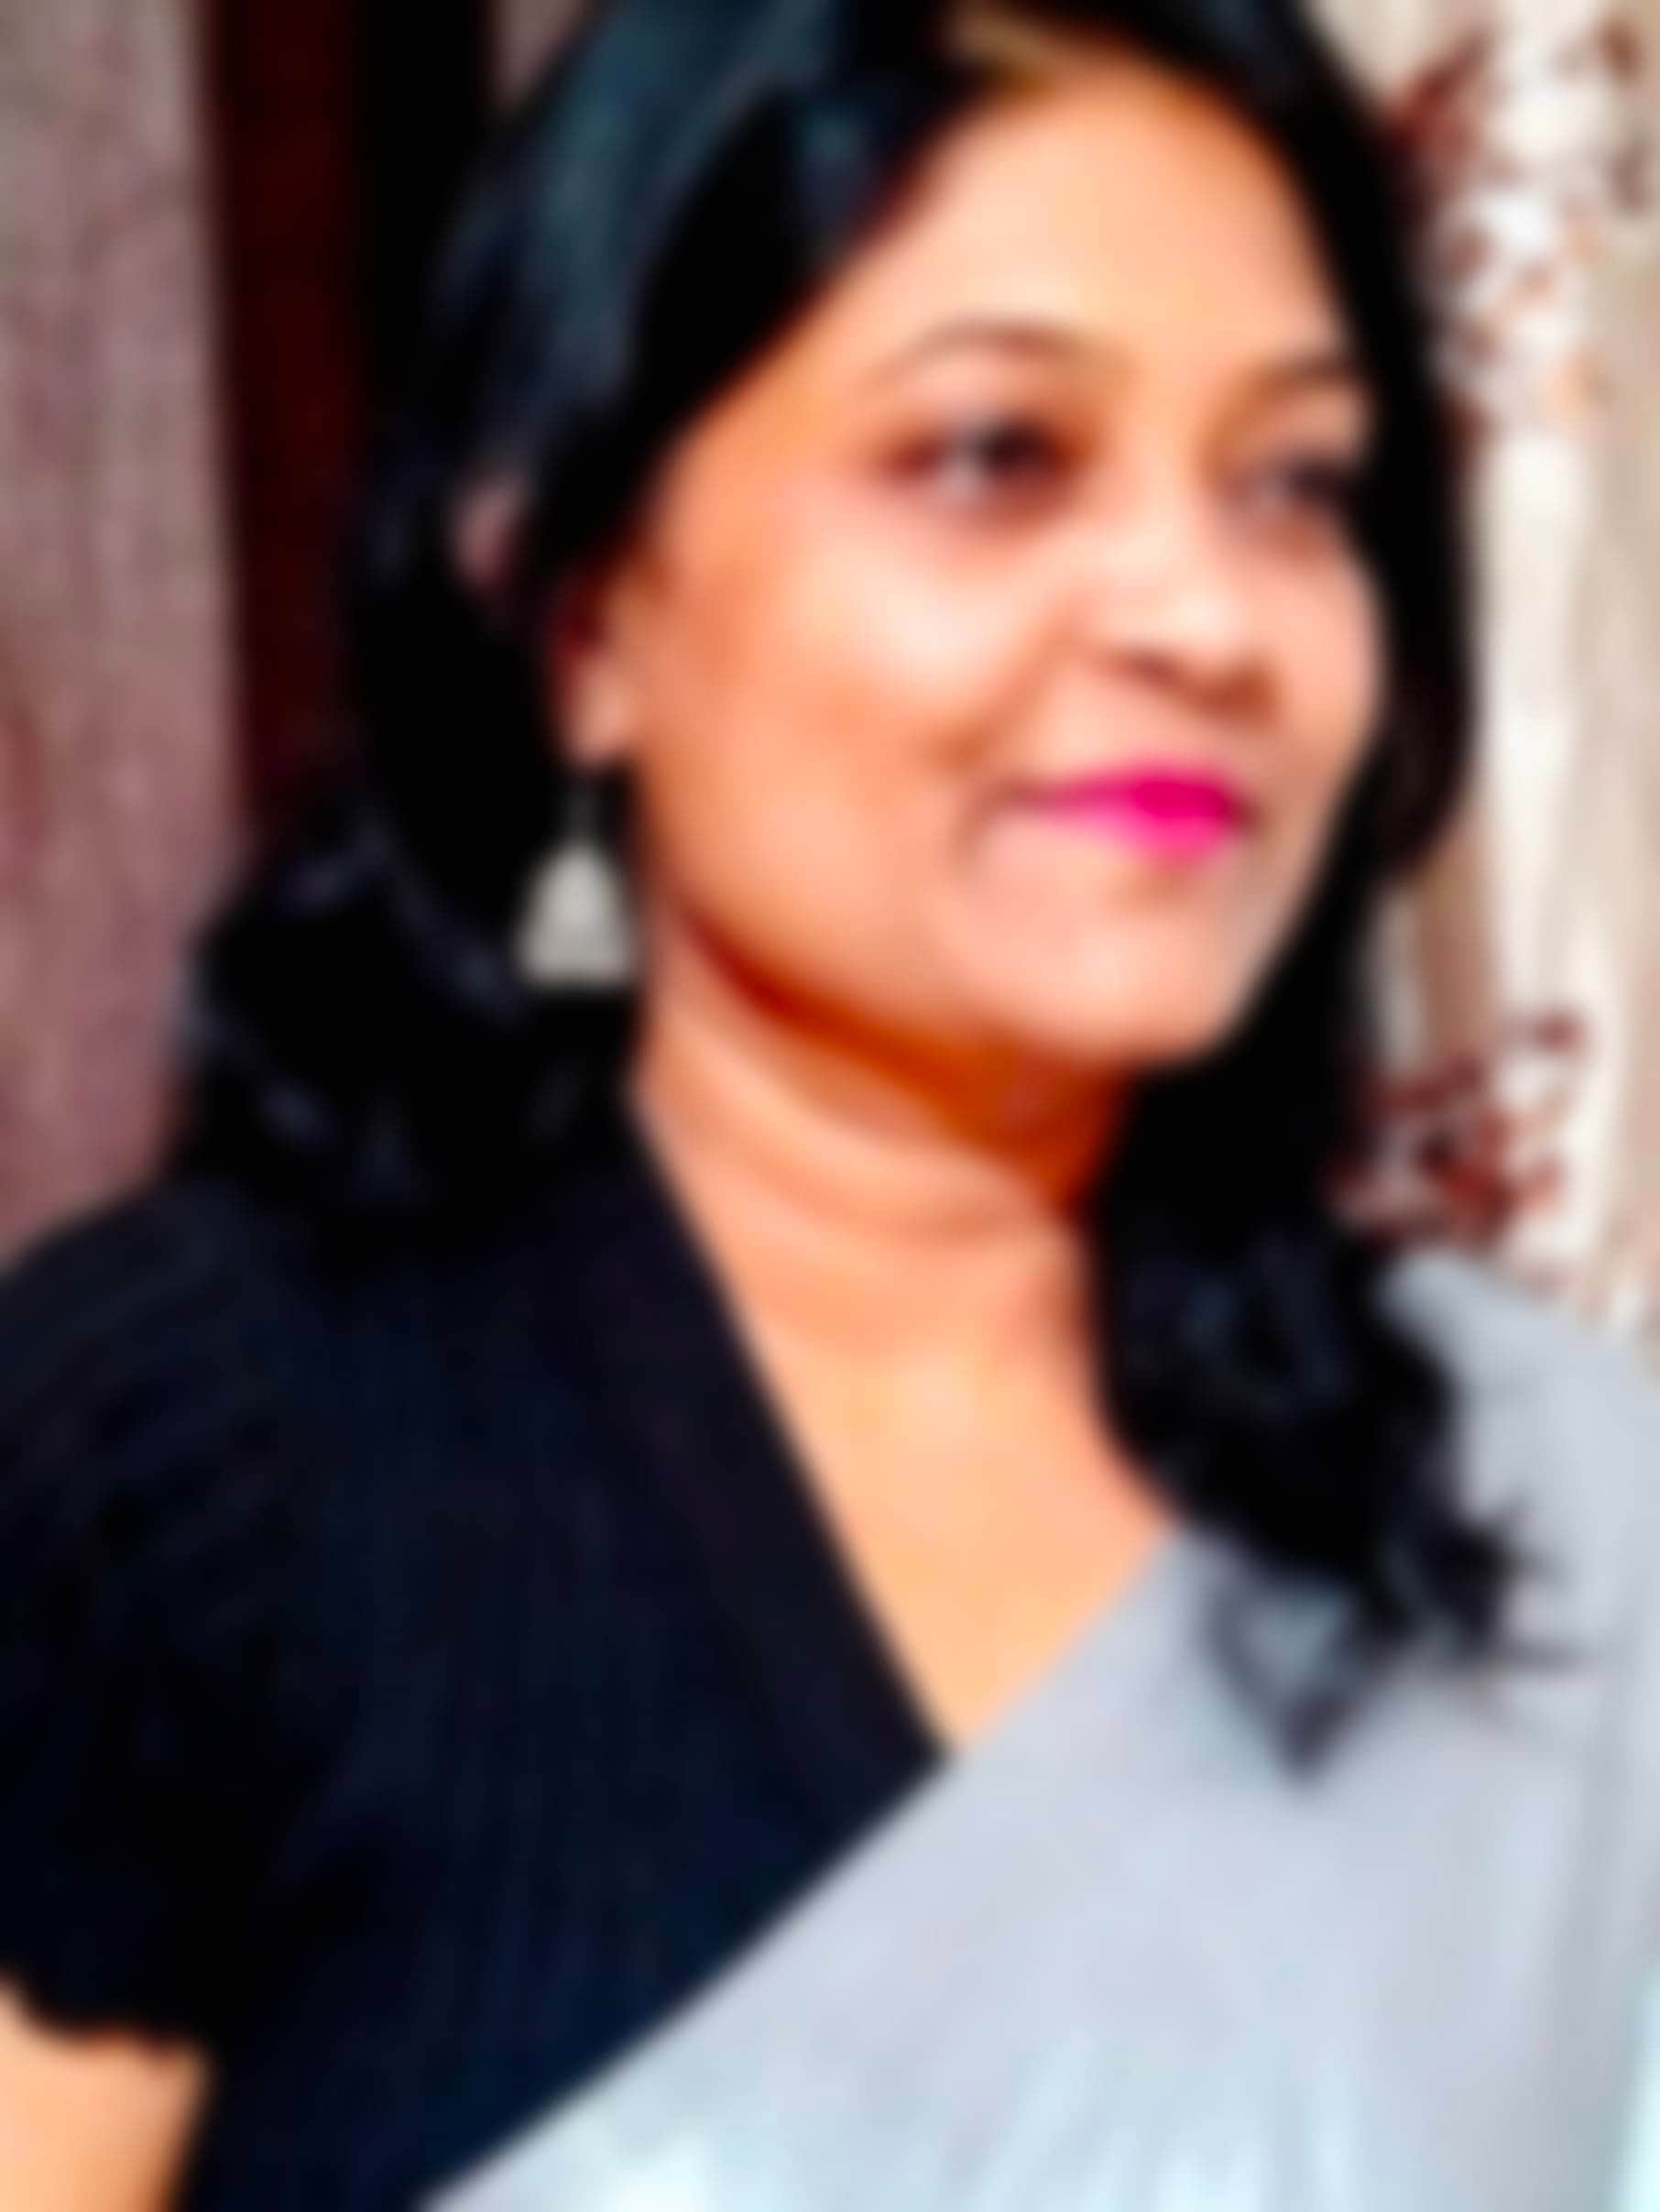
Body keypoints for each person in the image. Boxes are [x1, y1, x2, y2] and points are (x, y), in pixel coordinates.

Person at [4, 0, 1659, 2206]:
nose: (1205, 615)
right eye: (993, 453)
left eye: (1297, 484)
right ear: (580, 616)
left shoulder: (1549, 1514)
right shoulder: (182, 1463)